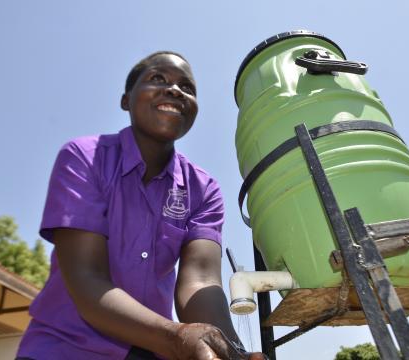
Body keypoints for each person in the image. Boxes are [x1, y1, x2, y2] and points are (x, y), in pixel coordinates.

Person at [16, 51, 266, 360]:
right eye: (157, 79)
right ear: (126, 100)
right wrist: (176, 338)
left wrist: (230, 352)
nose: (175, 90)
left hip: (149, 350)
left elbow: (199, 282)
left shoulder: (203, 190)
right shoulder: (84, 158)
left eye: (187, 87)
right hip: (63, 347)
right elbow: (87, 278)